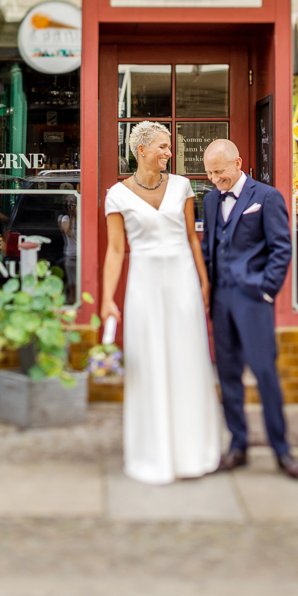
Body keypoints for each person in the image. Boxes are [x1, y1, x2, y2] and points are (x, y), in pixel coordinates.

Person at [100, 121, 223, 485]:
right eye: (162, 146)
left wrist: (203, 283)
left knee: (188, 360)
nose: (169, 153)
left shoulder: (183, 187)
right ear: (141, 150)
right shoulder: (116, 196)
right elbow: (116, 251)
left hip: (183, 279)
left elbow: (191, 237)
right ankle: (152, 454)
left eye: (169, 147)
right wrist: (107, 298)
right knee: (149, 363)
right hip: (144, 286)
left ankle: (192, 453)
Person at [200, 139, 298, 482]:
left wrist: (265, 292)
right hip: (221, 301)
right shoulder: (210, 200)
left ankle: (282, 450)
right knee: (228, 375)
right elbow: (209, 248)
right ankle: (238, 445)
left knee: (264, 374)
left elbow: (281, 248)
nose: (215, 180)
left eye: (219, 172)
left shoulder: (266, 197)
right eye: (209, 174)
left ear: (237, 163)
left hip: (253, 300)